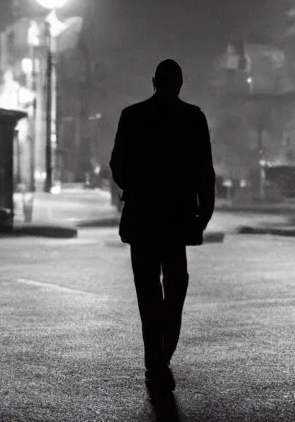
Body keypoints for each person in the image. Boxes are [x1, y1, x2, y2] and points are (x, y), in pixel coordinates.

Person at [109, 59, 216, 398]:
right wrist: (204, 215)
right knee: (176, 285)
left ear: (153, 80)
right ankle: (163, 355)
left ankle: (154, 360)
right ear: (181, 83)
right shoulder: (193, 117)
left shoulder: (132, 115)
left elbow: (118, 165)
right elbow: (205, 171)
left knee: (147, 293)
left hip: (142, 217)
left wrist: (138, 189)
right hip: (177, 217)